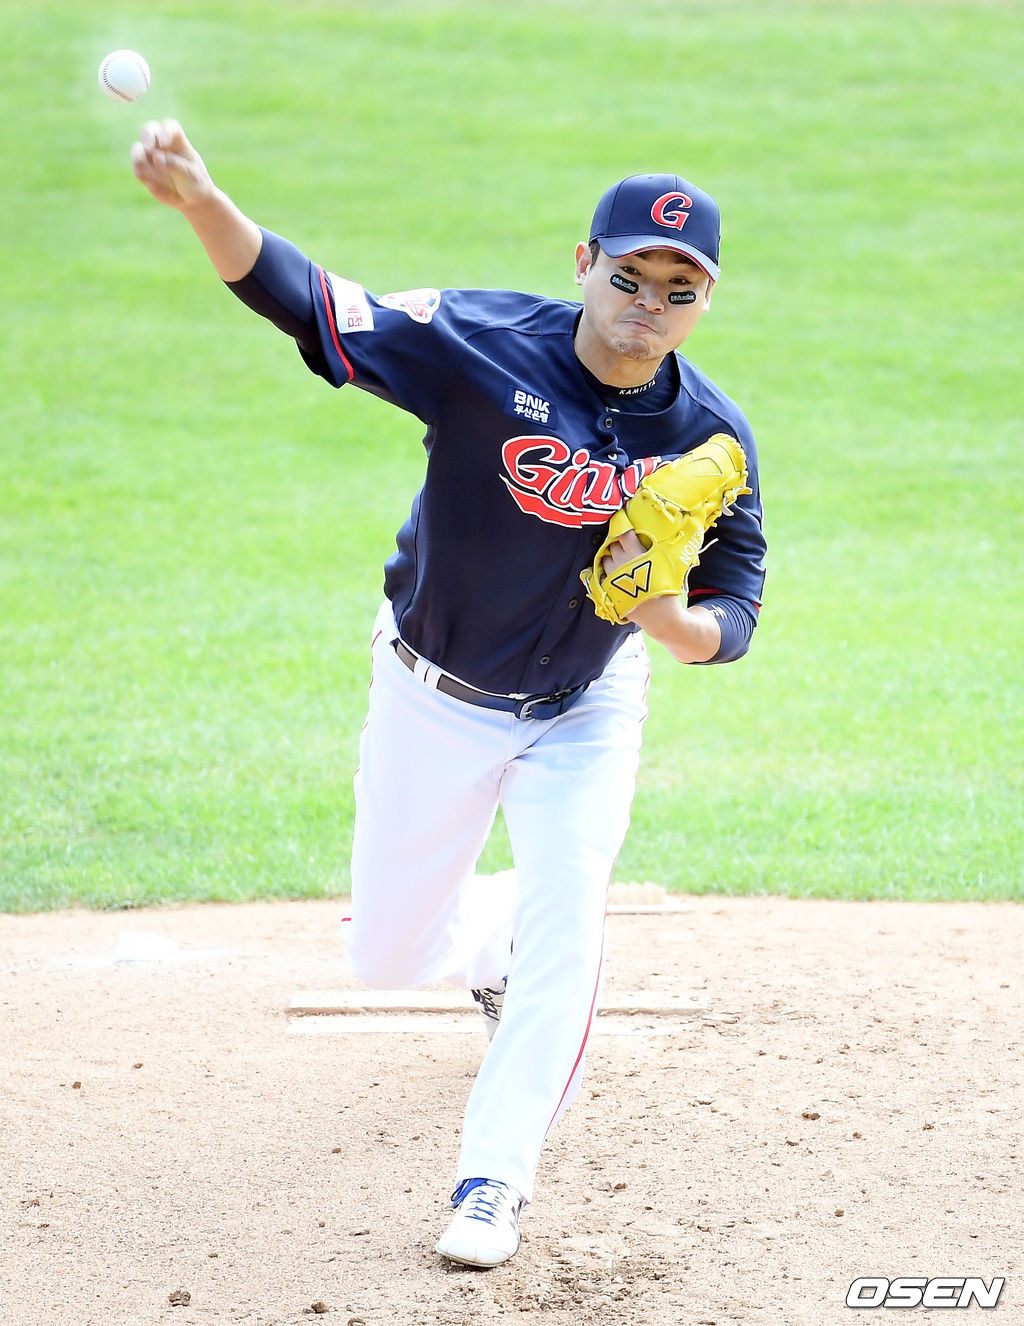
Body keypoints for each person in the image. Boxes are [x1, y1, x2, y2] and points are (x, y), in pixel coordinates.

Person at [130, 121, 767, 1269]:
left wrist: (662, 617)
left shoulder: (711, 434)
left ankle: (493, 1181)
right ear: (584, 261)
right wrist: (201, 202)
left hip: (583, 707)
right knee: (385, 955)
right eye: (628, 275)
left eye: (679, 288)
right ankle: (490, 946)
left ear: (705, 300)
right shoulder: (478, 342)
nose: (647, 303)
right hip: (433, 692)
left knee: (571, 909)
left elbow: (738, 607)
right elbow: (313, 303)